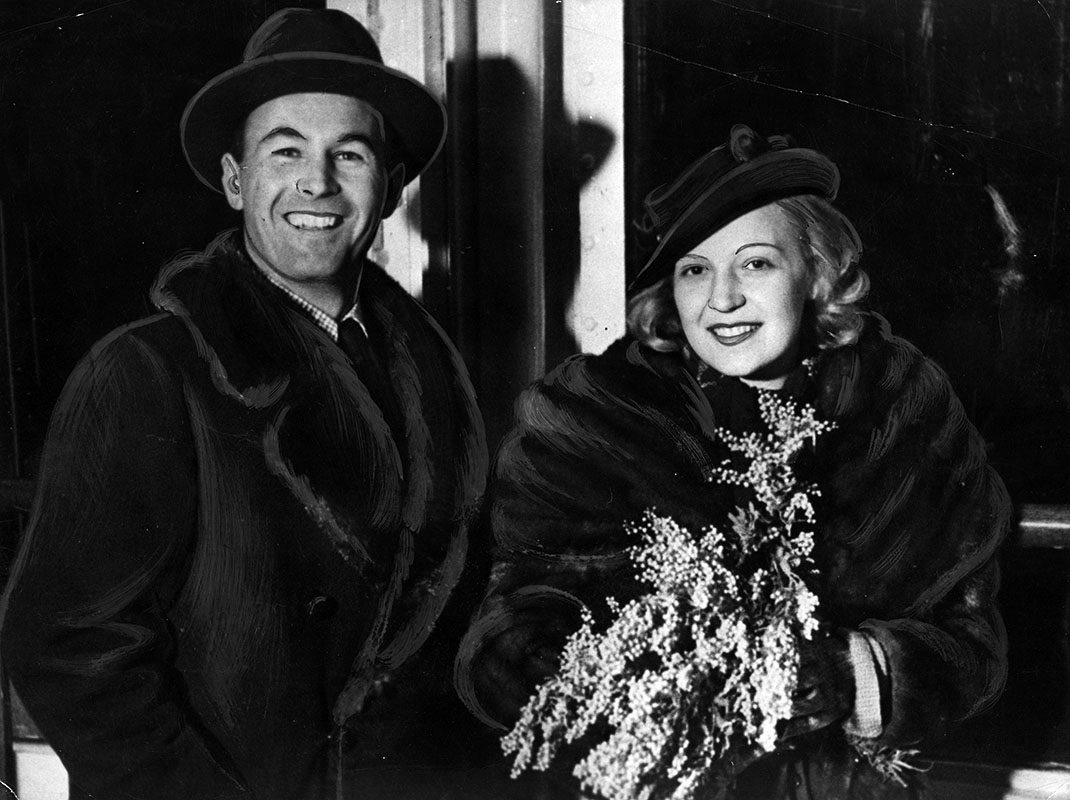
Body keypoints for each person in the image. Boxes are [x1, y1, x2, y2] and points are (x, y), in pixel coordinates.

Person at [1, 9, 487, 800]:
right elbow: (67, 651)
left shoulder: (443, 388)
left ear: (393, 188)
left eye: (350, 154)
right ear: (236, 180)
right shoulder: (145, 373)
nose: (317, 182)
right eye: (285, 150)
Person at [454, 124, 1010, 799]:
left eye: (756, 264)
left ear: (818, 274)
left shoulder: (903, 411)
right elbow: (503, 645)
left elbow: (970, 646)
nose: (721, 299)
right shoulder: (588, 425)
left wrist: (853, 673)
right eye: (695, 269)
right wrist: (652, 685)